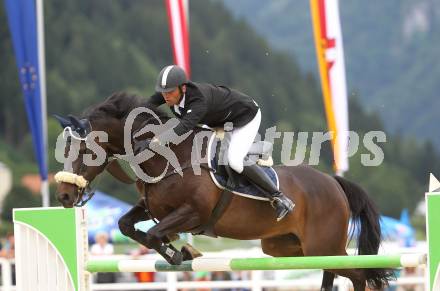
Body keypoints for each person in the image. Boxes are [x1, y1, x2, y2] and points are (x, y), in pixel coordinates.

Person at [145, 65, 294, 221]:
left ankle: (279, 198)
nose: (166, 96)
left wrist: (158, 140)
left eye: (170, 92)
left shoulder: (198, 101)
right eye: (163, 92)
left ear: (183, 88)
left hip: (244, 117)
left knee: (234, 161)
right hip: (218, 119)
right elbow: (145, 106)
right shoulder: (170, 94)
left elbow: (184, 128)